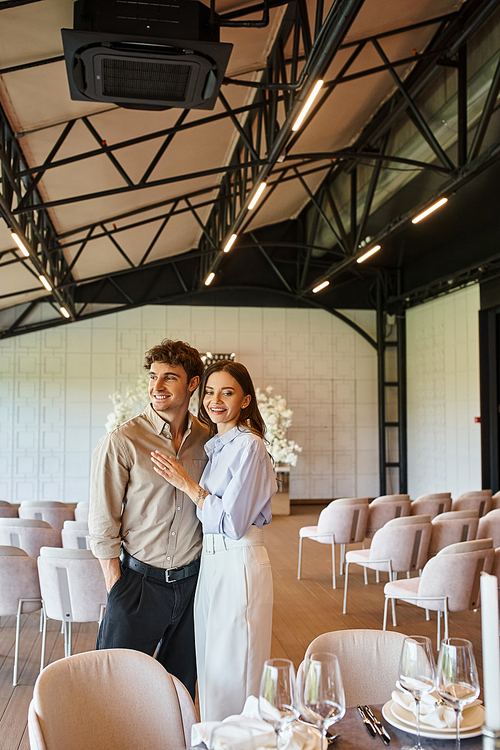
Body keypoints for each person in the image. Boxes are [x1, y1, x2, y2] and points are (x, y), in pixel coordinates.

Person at [151, 360, 277, 721]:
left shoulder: (249, 447)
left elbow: (233, 523)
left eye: (227, 392)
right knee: (212, 668)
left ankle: (244, 742)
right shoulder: (218, 446)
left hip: (239, 560)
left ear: (245, 400)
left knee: (238, 669)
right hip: (213, 562)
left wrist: (188, 485)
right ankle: (218, 738)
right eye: (209, 391)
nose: (215, 400)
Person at [88, 339, 210, 699]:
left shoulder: (209, 440)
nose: (156, 387)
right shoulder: (123, 440)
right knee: (117, 692)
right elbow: (102, 519)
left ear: (192, 384)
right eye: (153, 377)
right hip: (138, 586)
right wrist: (117, 587)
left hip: (193, 586)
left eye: (169, 378)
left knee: (179, 693)